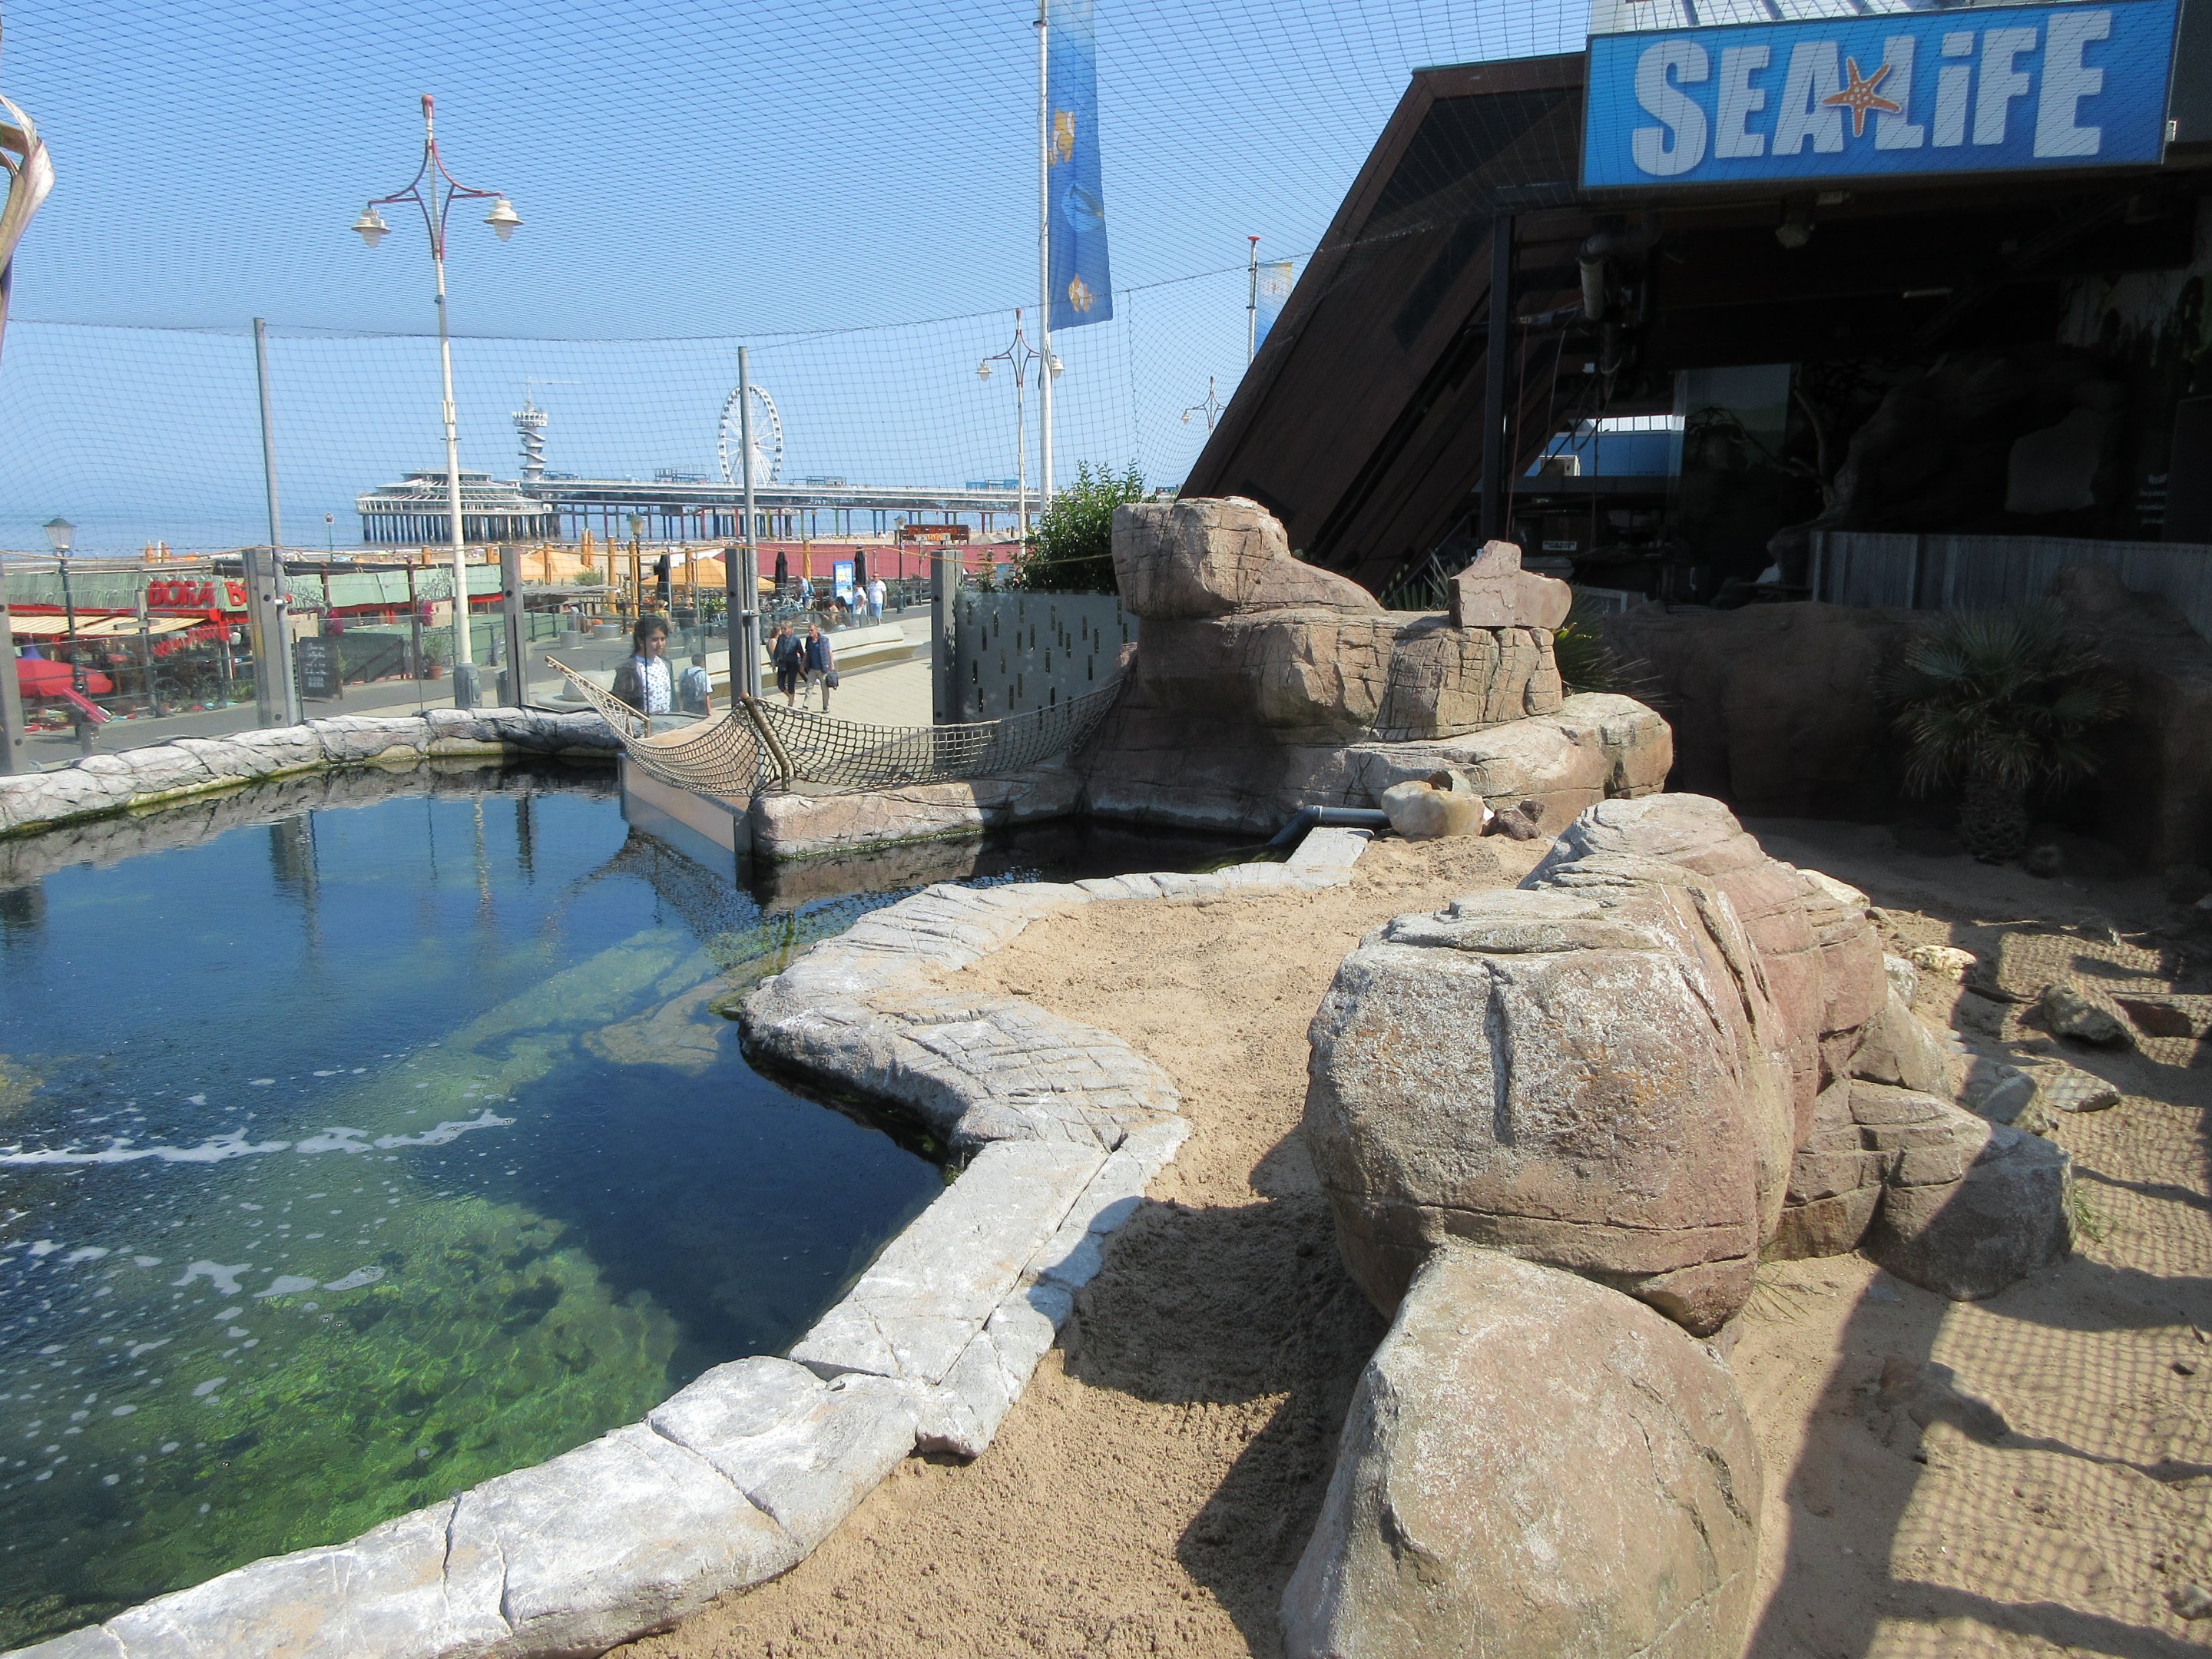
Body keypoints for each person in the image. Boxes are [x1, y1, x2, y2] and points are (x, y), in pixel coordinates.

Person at [611, 617, 674, 721]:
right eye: (654, 640)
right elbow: (619, 703)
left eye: (662, 639)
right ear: (641, 640)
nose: (660, 644)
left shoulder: (666, 664)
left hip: (666, 724)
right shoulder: (629, 668)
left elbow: (672, 698)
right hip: (641, 726)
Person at [770, 622, 805, 707]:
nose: (783, 630)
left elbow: (801, 651)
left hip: (793, 663)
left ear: (790, 629)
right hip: (783, 663)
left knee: (791, 684)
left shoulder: (796, 639)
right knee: (780, 684)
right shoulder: (781, 638)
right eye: (782, 629)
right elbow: (777, 650)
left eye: (785, 628)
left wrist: (803, 664)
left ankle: (791, 703)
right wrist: (774, 662)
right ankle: (791, 696)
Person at [803, 622, 836, 712]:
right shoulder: (809, 640)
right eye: (809, 630)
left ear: (816, 630)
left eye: (812, 630)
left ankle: (826, 706)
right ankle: (805, 706)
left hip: (823, 668)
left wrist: (831, 664)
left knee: (824, 688)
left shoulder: (824, 640)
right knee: (809, 686)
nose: (810, 632)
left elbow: (829, 652)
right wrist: (803, 664)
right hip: (812, 668)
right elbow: (807, 652)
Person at [678, 650, 713, 716]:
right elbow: (706, 694)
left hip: (687, 705)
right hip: (699, 705)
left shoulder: (683, 673)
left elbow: (681, 689)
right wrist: (709, 711)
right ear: (702, 662)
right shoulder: (703, 675)